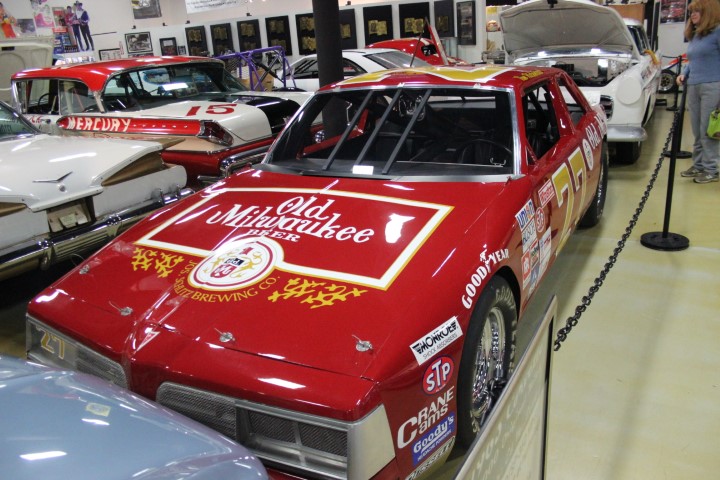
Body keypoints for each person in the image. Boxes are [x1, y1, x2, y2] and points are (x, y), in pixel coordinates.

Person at [677, 0, 720, 184]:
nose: (692, 15)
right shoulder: (696, 35)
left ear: (708, 12)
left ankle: (711, 169)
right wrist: (684, 73)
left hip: (713, 86)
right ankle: (699, 165)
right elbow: (693, 60)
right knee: (696, 129)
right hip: (694, 85)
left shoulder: (717, 32)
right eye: (691, 12)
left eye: (697, 11)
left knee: (708, 130)